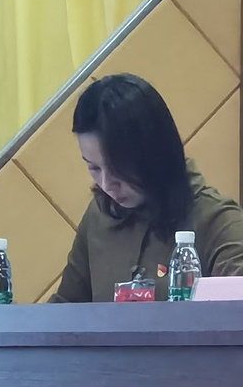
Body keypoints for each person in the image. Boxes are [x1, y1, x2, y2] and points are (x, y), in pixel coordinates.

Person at [50, 73, 243, 303]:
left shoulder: (217, 220)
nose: (107, 184)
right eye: (94, 168)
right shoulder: (99, 215)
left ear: (154, 154)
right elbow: (64, 311)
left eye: (118, 168)